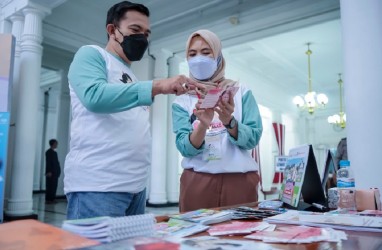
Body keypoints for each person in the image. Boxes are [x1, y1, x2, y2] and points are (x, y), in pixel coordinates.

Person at [64, 1, 202, 219]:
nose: (143, 39)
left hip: (135, 187)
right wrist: (157, 85)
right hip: (99, 186)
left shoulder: (132, 76)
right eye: (135, 30)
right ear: (112, 30)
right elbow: (94, 96)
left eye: (146, 33)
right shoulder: (92, 55)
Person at [172, 29, 263, 212]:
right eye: (192, 54)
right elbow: (184, 148)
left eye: (206, 52)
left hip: (239, 180)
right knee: (196, 238)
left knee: (243, 236)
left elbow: (252, 138)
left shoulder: (240, 92)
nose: (199, 59)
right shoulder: (182, 100)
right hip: (198, 181)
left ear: (218, 56)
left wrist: (229, 121)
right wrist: (202, 126)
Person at [45, 139, 61, 204]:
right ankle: (48, 199)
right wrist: (48, 171)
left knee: (54, 186)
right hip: (51, 173)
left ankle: (52, 198)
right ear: (53, 144)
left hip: (55, 173)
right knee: (49, 186)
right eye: (56, 143)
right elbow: (48, 162)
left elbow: (56, 163)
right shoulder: (48, 152)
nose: (57, 145)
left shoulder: (55, 153)